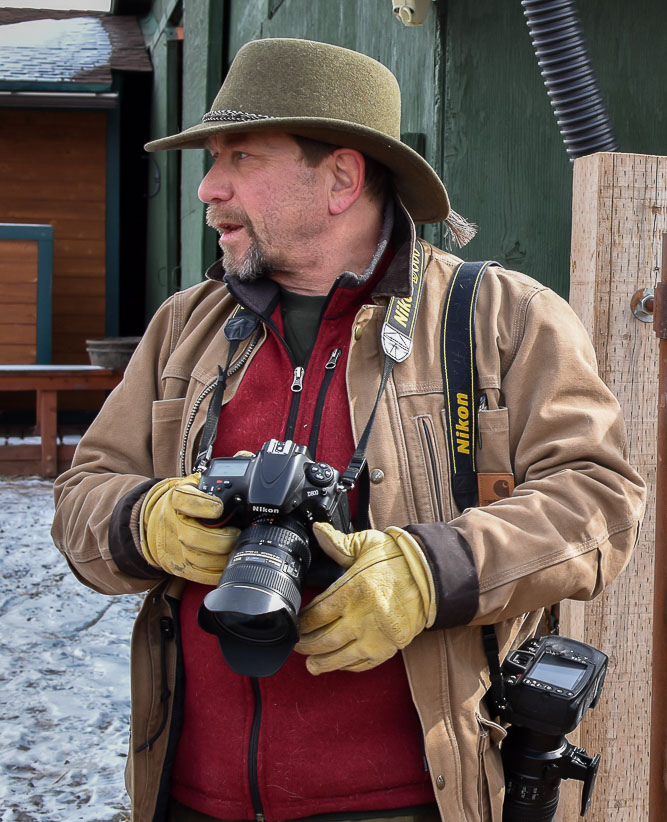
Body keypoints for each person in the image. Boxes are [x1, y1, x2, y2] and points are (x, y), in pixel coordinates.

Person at [52, 38, 645, 822]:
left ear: (340, 178)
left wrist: (428, 571)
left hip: (412, 800)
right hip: (187, 796)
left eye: (240, 157)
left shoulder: (502, 318)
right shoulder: (184, 328)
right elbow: (80, 500)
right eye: (211, 159)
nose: (209, 188)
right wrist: (144, 522)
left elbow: (598, 503)